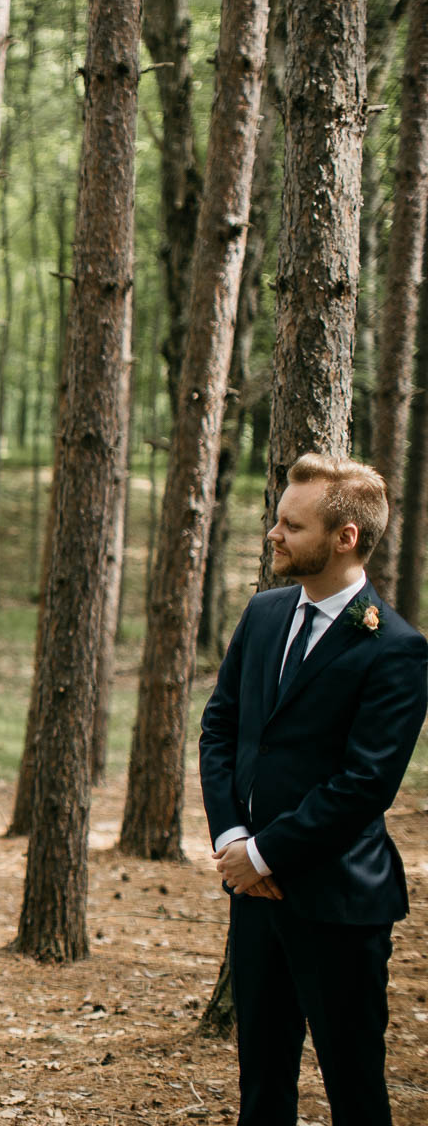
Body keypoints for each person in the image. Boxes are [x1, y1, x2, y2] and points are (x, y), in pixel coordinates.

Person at [199, 453, 428, 1126]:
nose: (274, 534)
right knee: (261, 1087)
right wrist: (234, 841)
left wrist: (264, 854)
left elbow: (364, 785)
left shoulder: (396, 648)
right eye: (278, 520)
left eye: (292, 526)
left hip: (340, 905)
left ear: (345, 538)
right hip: (254, 897)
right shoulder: (264, 614)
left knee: (355, 1092)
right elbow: (220, 729)